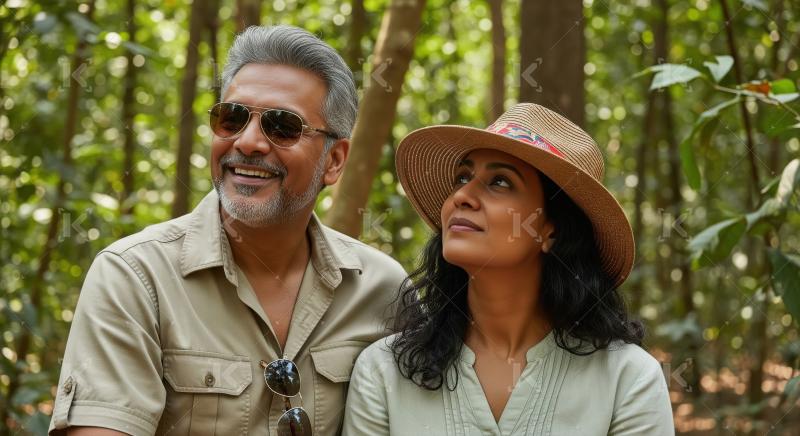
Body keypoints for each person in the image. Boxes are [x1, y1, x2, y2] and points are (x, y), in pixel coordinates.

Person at [49, 25, 406, 436]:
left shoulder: (381, 289)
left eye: (282, 126)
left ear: (334, 161)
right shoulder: (135, 278)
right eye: (231, 118)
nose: (249, 141)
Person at [343, 103, 675, 435]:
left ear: (551, 230)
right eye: (462, 177)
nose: (462, 195)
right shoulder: (383, 372)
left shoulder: (626, 379)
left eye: (500, 182)